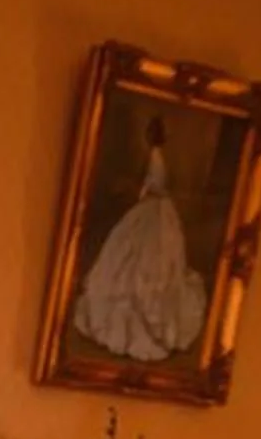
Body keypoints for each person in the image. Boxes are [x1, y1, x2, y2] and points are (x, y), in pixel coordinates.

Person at [74, 117, 208, 362]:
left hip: (155, 211)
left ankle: (146, 320)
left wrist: (134, 189)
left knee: (147, 262)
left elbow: (156, 186)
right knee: (127, 258)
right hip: (149, 210)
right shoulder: (153, 157)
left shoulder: (157, 158)